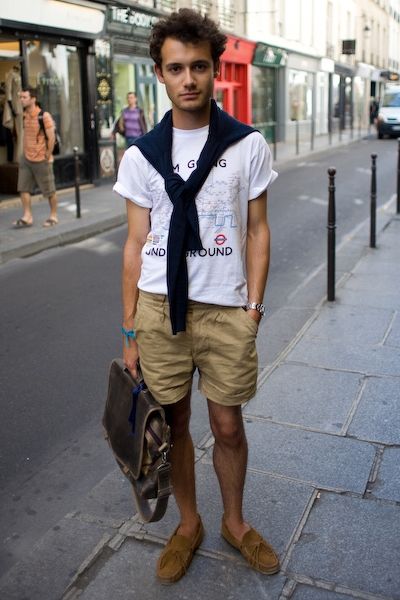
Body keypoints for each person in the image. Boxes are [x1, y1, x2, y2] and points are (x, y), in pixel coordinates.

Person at [114, 8, 279, 583]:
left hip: (227, 309)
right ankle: (190, 524)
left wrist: (253, 308)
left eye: (200, 67)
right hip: (160, 310)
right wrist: (130, 330)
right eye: (176, 68)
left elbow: (257, 230)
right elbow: (136, 245)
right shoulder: (140, 156)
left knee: (228, 425)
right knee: (177, 424)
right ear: (159, 73)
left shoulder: (247, 145)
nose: (189, 79)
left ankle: (235, 522)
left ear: (215, 70)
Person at [13, 87, 58, 228]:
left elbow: (51, 138)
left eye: (24, 97)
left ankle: (53, 216)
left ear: (33, 99)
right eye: (20, 97)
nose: (21, 100)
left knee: (49, 190)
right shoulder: (24, 115)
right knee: (23, 188)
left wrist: (47, 155)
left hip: (41, 159)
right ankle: (27, 216)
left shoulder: (44, 116)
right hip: (26, 158)